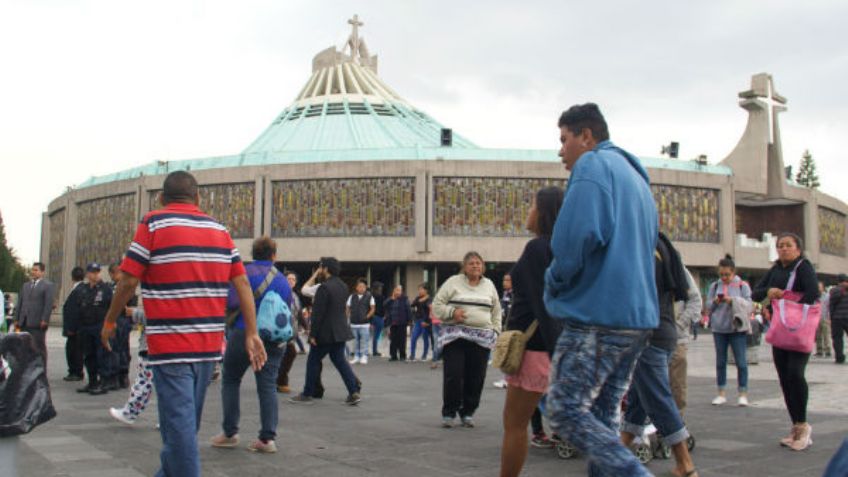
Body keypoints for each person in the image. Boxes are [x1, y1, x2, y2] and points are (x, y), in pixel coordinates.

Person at [100, 171, 267, 477]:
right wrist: (251, 332)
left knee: (180, 435)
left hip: (171, 346)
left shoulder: (153, 222)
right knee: (184, 429)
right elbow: (241, 281)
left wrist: (110, 320)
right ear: (198, 198)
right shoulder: (220, 229)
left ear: (161, 199)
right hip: (207, 347)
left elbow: (128, 280)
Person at [543, 103, 658, 477]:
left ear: (586, 136)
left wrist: (555, 281)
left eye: (564, 139)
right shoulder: (635, 177)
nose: (561, 150)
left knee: (564, 409)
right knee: (603, 415)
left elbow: (574, 239)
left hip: (598, 313)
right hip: (636, 316)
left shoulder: (593, 166)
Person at [620, 233, 699, 477]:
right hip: (661, 331)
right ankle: (617, 455)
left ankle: (685, 463)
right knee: (638, 400)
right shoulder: (662, 245)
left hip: (648, 334)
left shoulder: (645, 249)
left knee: (658, 399)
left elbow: (635, 293)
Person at [498, 186, 563, 477]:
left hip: (535, 349)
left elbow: (542, 304)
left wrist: (559, 356)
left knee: (514, 423)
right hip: (548, 347)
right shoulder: (561, 246)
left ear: (545, 212)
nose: (529, 212)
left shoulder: (538, 248)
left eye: (533, 206)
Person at [212, 237, 291, 453]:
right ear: (273, 255)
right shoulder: (283, 280)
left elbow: (230, 302)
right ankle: (267, 439)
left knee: (230, 379)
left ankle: (230, 432)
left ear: (253, 254)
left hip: (243, 332)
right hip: (273, 338)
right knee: (267, 385)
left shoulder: (244, 273)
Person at [752, 232, 819, 451]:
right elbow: (756, 292)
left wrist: (785, 297)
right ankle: (795, 426)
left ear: (798, 249)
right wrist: (769, 292)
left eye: (788, 245)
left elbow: (811, 294)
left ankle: (803, 425)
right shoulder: (775, 269)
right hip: (780, 330)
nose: (783, 249)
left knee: (795, 374)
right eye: (780, 245)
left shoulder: (804, 267)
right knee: (784, 377)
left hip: (799, 329)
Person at [433, 251, 501, 428]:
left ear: (483, 266)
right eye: (471, 263)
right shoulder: (452, 282)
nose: (475, 266)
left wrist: (496, 331)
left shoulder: (489, 285)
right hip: (456, 336)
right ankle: (449, 412)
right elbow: (436, 305)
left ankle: (468, 412)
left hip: (482, 338)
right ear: (464, 267)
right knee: (453, 375)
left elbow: (496, 311)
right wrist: (452, 313)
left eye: (479, 263)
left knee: (476, 377)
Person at [289, 257, 361, 405]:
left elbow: (318, 313)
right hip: (340, 331)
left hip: (325, 333)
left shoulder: (324, 287)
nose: (320, 270)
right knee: (340, 361)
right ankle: (353, 391)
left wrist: (313, 334)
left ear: (326, 269)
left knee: (313, 361)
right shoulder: (343, 286)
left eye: (321, 267)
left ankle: (308, 393)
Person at [707, 254, 753, 407]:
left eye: (727, 274)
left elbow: (749, 305)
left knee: (741, 362)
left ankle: (743, 393)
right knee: (720, 362)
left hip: (736, 328)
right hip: (719, 328)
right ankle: (721, 393)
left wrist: (733, 300)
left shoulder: (742, 286)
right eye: (721, 274)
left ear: (733, 272)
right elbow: (708, 307)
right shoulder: (714, 286)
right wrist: (715, 302)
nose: (724, 277)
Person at [109, 304, 154, 425]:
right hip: (166, 346)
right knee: (168, 386)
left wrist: (134, 313)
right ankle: (170, 419)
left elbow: (157, 316)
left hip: (153, 345)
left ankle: (130, 412)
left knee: (143, 381)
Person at [669, 267, 703, 416]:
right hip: (649, 337)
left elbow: (695, 300)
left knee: (677, 384)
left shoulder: (677, 268)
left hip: (676, 338)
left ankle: (677, 426)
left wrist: (679, 325)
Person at [76, 263, 113, 395]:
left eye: (97, 272)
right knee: (89, 355)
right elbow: (79, 307)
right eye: (92, 272)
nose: (95, 274)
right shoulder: (83, 289)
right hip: (86, 326)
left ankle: (104, 382)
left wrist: (110, 325)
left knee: (102, 355)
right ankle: (92, 381)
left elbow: (111, 307)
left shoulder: (105, 289)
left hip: (99, 326)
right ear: (87, 274)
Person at [14, 262, 55, 360]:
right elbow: (20, 302)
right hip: (24, 322)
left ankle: (41, 372)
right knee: (24, 347)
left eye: (36, 270)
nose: (33, 272)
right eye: (32, 270)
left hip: (37, 323)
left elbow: (48, 304)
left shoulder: (47, 286)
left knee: (39, 348)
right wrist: (16, 318)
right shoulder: (26, 285)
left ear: (42, 272)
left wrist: (45, 319)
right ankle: (25, 371)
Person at [108, 263, 136, 389]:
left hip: (122, 320)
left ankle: (121, 375)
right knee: (118, 348)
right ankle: (118, 375)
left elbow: (131, 303)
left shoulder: (126, 287)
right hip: (118, 319)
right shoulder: (111, 287)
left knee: (120, 348)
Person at [277, 270, 304, 393]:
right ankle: (281, 381)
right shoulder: (279, 293)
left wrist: (306, 326)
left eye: (293, 279)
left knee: (286, 355)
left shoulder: (295, 296)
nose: (291, 281)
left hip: (291, 331)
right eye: (289, 279)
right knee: (290, 353)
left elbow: (299, 313)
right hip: (281, 330)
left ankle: (278, 380)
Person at [62, 266, 86, 382]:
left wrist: (71, 328)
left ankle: (75, 372)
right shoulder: (81, 289)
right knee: (74, 350)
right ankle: (75, 371)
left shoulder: (78, 290)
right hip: (77, 327)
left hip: (75, 328)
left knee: (74, 350)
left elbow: (75, 311)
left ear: (72, 277)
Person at [347, 278, 375, 364]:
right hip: (354, 323)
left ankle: (364, 356)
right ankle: (356, 356)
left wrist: (367, 316)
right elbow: (347, 307)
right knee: (355, 342)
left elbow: (373, 308)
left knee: (364, 341)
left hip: (364, 324)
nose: (361, 288)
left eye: (363, 286)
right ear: (356, 288)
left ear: (366, 287)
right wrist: (348, 316)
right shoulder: (352, 296)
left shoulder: (370, 296)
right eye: (360, 286)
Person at [493, 274, 514, 389]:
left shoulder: (514, 294)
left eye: (507, 280)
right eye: (504, 279)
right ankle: (507, 378)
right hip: (504, 326)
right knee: (505, 353)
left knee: (509, 354)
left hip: (511, 328)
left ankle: (508, 379)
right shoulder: (506, 293)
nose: (504, 282)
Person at [385, 284, 413, 362]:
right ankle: (393, 355)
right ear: (394, 291)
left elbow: (408, 310)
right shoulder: (390, 299)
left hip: (402, 322)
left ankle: (402, 355)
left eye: (400, 290)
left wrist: (410, 320)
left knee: (402, 340)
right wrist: (392, 298)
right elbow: (385, 305)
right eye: (397, 290)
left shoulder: (404, 299)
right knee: (393, 340)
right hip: (393, 323)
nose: (398, 292)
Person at [409, 283, 433, 361]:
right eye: (419, 289)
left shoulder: (430, 299)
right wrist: (416, 302)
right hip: (418, 320)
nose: (419, 291)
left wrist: (428, 321)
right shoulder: (418, 298)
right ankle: (412, 355)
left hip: (425, 321)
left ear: (426, 290)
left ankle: (424, 355)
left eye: (421, 289)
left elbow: (431, 310)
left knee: (425, 338)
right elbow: (412, 305)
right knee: (413, 337)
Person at [828, 274, 848, 364]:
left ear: (838, 281)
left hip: (837, 318)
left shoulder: (834, 290)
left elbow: (831, 305)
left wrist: (831, 317)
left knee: (837, 338)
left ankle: (839, 357)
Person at [815, 281, 832, 358]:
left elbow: (829, 307)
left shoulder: (827, 296)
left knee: (826, 335)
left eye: (820, 287)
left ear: (823, 287)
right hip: (816, 318)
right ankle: (819, 351)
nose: (818, 288)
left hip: (825, 317)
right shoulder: (814, 296)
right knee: (818, 335)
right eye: (817, 287)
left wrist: (829, 318)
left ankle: (827, 350)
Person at [371, 281, 385, 357]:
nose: (381, 288)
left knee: (373, 335)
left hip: (372, 317)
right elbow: (383, 307)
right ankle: (375, 351)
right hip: (379, 317)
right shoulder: (381, 297)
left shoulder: (370, 296)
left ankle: (373, 350)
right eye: (380, 287)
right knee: (376, 335)